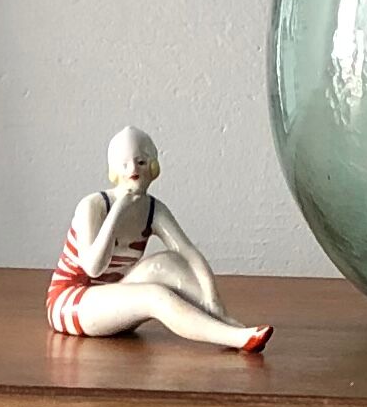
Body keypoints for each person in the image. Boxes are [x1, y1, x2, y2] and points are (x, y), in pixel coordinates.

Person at [45, 128, 270, 352]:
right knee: (154, 295)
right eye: (125, 164)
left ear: (153, 167)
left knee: (169, 261)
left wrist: (212, 299)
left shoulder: (153, 209)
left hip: (116, 294)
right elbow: (93, 268)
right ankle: (234, 338)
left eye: (141, 162)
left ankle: (221, 319)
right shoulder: (94, 205)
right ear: (114, 170)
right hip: (71, 302)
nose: (133, 170)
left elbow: (188, 253)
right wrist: (118, 211)